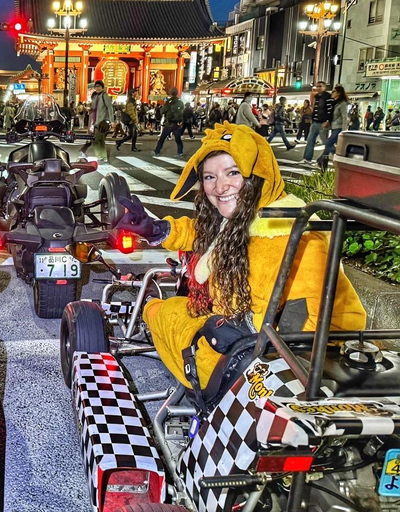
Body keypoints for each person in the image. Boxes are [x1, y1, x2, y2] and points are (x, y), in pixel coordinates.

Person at [114, 122, 366, 392]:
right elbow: (203, 231)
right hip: (248, 339)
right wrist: (157, 229)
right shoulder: (254, 216)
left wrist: (234, 333)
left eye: (232, 173)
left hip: (260, 362)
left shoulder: (290, 236)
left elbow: (304, 327)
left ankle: (150, 310)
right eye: (209, 177)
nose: (220, 187)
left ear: (259, 175)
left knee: (166, 313)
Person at [79, 80, 114, 163]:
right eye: (96, 86)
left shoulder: (104, 96)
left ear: (102, 87)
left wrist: (112, 121)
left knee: (95, 140)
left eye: (99, 86)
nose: (97, 88)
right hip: (95, 121)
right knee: (100, 140)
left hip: (102, 121)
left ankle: (101, 157)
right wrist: (90, 110)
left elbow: (110, 108)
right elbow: (94, 108)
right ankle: (104, 157)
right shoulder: (95, 97)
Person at [316, 86, 349, 171]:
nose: (332, 93)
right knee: (329, 144)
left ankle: (324, 160)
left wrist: (344, 131)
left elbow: (345, 117)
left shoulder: (342, 103)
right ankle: (337, 159)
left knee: (328, 143)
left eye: (334, 91)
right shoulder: (335, 103)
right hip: (334, 127)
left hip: (338, 127)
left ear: (338, 93)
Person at [301, 81, 333, 166]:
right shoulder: (316, 97)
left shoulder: (328, 96)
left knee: (325, 141)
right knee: (310, 140)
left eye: (320, 86)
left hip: (323, 123)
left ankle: (334, 154)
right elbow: (315, 110)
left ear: (324, 87)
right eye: (317, 86)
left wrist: (328, 121)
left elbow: (330, 110)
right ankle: (307, 158)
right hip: (314, 122)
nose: (318, 88)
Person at [153, 87, 184, 158]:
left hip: (169, 123)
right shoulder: (180, 102)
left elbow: (162, 111)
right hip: (177, 123)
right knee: (178, 139)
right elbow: (182, 112)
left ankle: (157, 151)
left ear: (170, 93)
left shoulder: (168, 102)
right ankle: (180, 152)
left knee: (162, 138)